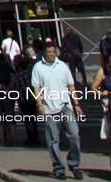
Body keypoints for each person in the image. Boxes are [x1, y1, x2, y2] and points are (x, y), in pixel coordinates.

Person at [32, 39, 85, 180]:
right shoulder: (38, 67)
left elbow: (71, 85)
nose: (51, 54)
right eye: (48, 52)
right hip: (49, 109)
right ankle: (59, 168)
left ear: (57, 53)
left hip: (65, 106)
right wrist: (40, 105)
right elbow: (36, 87)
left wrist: (77, 104)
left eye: (53, 52)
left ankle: (74, 164)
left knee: (74, 135)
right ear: (44, 53)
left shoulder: (62, 66)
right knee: (53, 140)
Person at [14, 48, 40, 147]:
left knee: (27, 119)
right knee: (33, 119)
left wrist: (18, 101)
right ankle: (36, 137)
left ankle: (30, 137)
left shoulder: (18, 75)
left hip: (23, 99)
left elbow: (17, 89)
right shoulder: (29, 72)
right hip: (32, 98)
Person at [60, 31, 88, 97]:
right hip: (71, 58)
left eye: (68, 30)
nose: (67, 31)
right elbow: (62, 48)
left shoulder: (76, 37)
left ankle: (86, 85)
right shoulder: (65, 39)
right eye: (66, 30)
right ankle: (75, 87)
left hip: (77, 56)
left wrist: (81, 52)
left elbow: (80, 45)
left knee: (82, 70)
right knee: (73, 72)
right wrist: (67, 54)